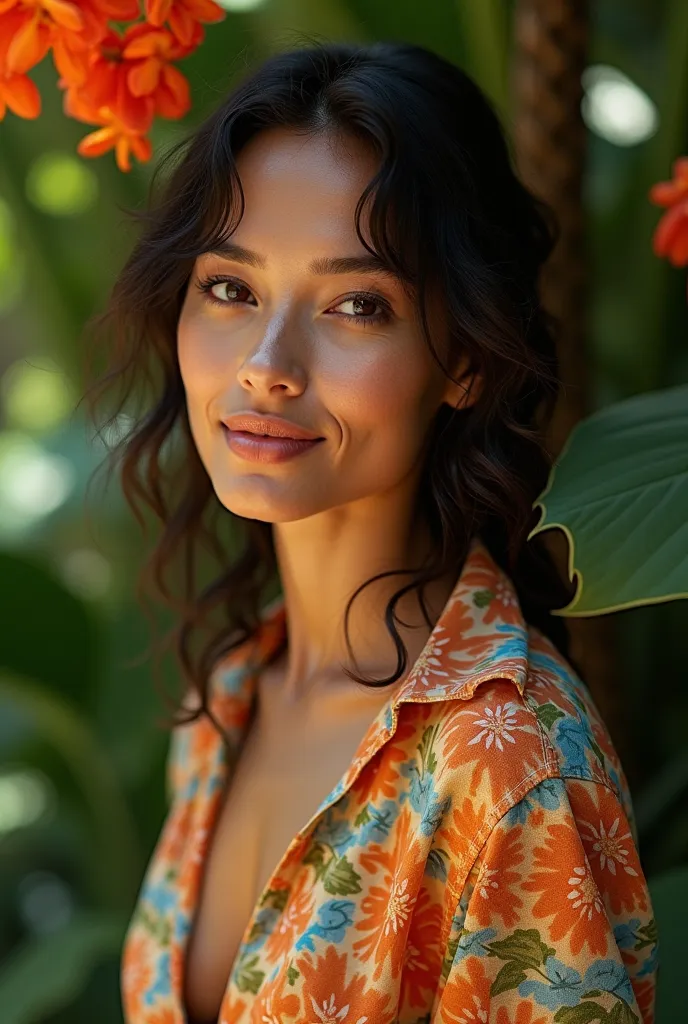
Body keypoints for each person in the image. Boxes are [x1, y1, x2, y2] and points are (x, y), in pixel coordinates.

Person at [89, 39, 658, 1024]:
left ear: (467, 360)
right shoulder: (226, 696)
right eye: (231, 287)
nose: (267, 364)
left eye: (357, 304)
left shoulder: (508, 761)